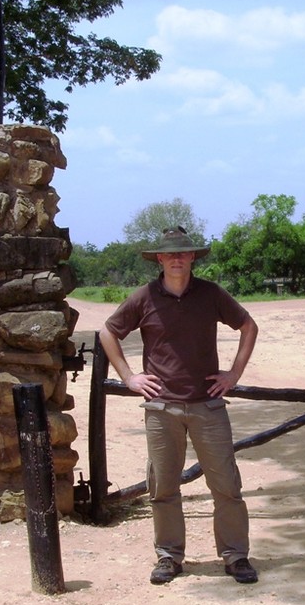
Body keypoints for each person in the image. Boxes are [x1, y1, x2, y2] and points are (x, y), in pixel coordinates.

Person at [99, 226, 260, 585]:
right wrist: (128, 376)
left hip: (208, 405)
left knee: (226, 486)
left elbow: (248, 326)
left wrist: (233, 374)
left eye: (182, 253)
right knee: (163, 487)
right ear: (159, 258)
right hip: (161, 409)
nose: (176, 259)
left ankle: (236, 556)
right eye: (169, 254)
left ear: (192, 258)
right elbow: (108, 331)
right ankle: (169, 557)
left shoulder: (211, 294)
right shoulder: (144, 298)